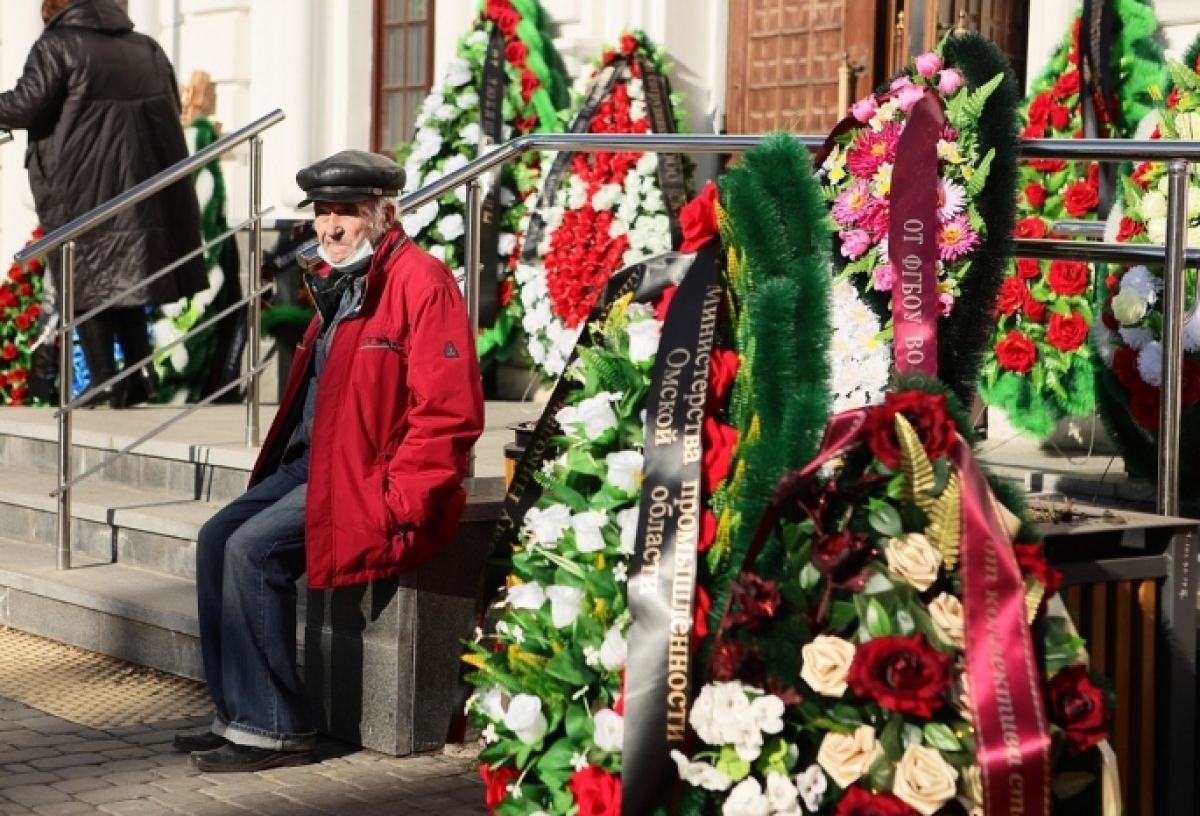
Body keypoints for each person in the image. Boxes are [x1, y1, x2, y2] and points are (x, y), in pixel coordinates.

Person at [174, 149, 485, 773]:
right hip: (316, 463)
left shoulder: (421, 281)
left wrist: (400, 498)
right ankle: (238, 713)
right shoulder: (340, 277)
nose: (330, 227)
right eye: (322, 213)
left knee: (251, 551)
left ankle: (274, 727)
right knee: (215, 539)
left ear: (385, 213)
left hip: (367, 477)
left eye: (347, 213)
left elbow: (450, 411)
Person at [0, 0, 207, 407]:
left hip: (78, 188)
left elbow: (27, 104)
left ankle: (105, 381)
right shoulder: (145, 46)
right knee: (119, 282)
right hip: (139, 188)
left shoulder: (59, 44)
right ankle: (138, 374)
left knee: (84, 281)